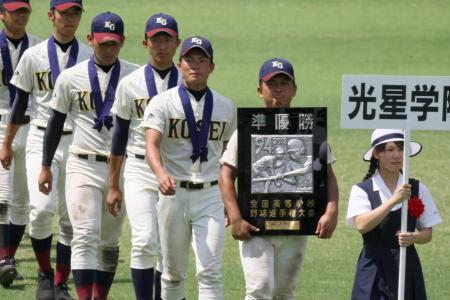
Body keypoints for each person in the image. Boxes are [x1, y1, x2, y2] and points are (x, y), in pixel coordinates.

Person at [37, 11, 138, 300]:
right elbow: (55, 123)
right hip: (81, 163)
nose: (107, 50)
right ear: (90, 39)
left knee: (109, 240)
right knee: (84, 235)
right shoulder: (70, 77)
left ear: (122, 43)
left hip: (119, 167)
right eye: (102, 43)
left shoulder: (134, 76)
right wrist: (45, 166)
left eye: (113, 44)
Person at [218, 58, 339, 299]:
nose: (279, 89)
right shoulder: (245, 130)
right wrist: (235, 216)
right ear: (259, 89)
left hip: (295, 223)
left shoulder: (310, 129)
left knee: (284, 292)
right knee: (259, 288)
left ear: (295, 89)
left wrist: (331, 211)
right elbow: (225, 175)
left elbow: (327, 175)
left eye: (285, 83)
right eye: (272, 83)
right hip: (255, 225)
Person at [0, 0, 90, 298]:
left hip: (76, 139)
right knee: (39, 211)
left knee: (69, 217)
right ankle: (44, 272)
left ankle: (61, 283)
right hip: (39, 136)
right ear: (52, 15)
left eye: (75, 13)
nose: (69, 19)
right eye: (64, 13)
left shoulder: (89, 57)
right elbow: (20, 103)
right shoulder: (33, 55)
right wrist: (7, 143)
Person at [142, 36, 236, 300]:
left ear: (212, 66)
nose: (195, 65)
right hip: (174, 195)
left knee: (210, 271)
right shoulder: (162, 103)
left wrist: (231, 201)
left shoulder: (226, 106)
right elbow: (151, 144)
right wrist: (160, 174)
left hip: (211, 195)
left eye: (202, 60)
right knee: (172, 273)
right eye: (189, 60)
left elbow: (232, 159)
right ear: (179, 64)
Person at [107, 12, 181, 300]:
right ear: (145, 43)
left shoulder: (187, 82)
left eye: (167, 39)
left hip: (174, 168)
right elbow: (119, 136)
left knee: (167, 246)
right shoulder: (130, 83)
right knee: (143, 241)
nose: (161, 46)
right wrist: (114, 184)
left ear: (177, 43)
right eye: (156, 40)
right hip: (138, 168)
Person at [346, 129, 442, 300]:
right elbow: (361, 225)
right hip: (372, 268)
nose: (397, 155)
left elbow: (428, 233)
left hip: (406, 266)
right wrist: (393, 201)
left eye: (400, 149)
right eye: (390, 150)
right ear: (377, 153)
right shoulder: (362, 189)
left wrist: (414, 237)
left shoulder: (418, 188)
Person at [0, 0, 41, 288]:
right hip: (0, 120)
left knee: (22, 201)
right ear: (2, 14)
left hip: (31, 124)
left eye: (24, 11)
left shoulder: (39, 47)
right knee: (2, 195)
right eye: (14, 11)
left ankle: (7, 260)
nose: (19, 16)